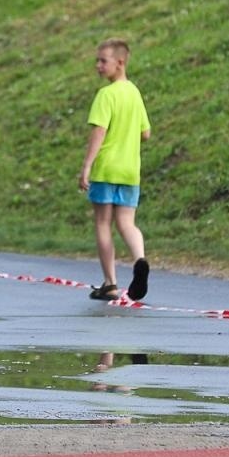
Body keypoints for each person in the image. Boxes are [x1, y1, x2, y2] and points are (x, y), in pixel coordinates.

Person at [78, 38, 152, 301]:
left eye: (103, 61)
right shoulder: (134, 93)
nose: (98, 66)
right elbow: (146, 133)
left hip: (107, 169)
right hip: (130, 170)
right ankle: (140, 259)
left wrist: (87, 165)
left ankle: (110, 283)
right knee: (127, 223)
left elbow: (99, 131)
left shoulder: (106, 95)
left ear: (120, 62)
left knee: (103, 223)